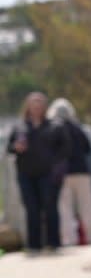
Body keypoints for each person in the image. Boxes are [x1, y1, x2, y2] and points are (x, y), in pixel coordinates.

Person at [5, 92, 69, 254]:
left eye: (40, 103)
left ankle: (53, 243)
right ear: (28, 106)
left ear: (45, 107)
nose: (37, 106)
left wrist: (56, 165)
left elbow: (65, 149)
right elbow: (9, 148)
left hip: (48, 174)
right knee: (31, 209)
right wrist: (16, 148)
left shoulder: (55, 126)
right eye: (34, 103)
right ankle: (34, 244)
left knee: (50, 207)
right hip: (26, 174)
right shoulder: (20, 126)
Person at [48, 98, 91, 246]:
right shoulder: (78, 128)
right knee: (87, 207)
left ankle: (68, 239)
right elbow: (88, 149)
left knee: (65, 209)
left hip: (63, 174)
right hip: (82, 173)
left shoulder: (53, 128)